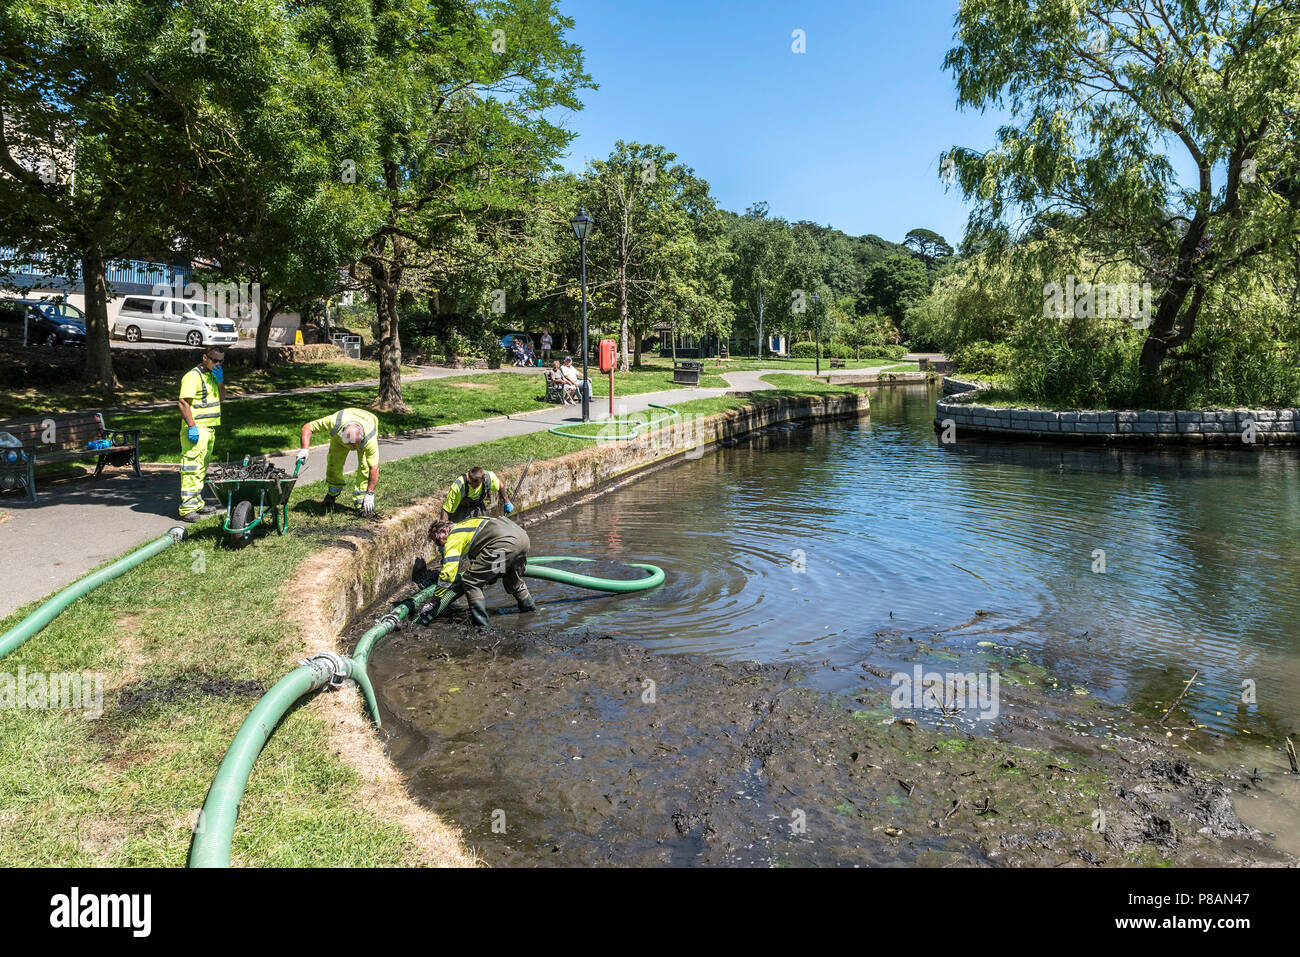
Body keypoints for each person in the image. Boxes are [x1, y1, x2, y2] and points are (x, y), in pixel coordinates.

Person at [428, 515, 535, 625]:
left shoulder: (453, 536)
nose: (439, 547)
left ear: (445, 531)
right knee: (511, 579)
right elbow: (483, 550)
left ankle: (482, 626)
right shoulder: (468, 524)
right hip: (522, 538)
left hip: (503, 544)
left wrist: (435, 599)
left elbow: (448, 574)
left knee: (470, 582)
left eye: (437, 541)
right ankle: (530, 613)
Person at [296, 407, 379, 514]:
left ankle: (361, 503)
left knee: (365, 468)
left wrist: (370, 494)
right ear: (341, 432)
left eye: (354, 445)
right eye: (349, 444)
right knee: (333, 464)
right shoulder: (334, 421)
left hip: (369, 421)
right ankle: (332, 493)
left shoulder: (369, 438)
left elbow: (374, 467)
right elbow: (308, 427)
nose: (351, 447)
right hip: (340, 438)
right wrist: (304, 449)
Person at [177, 346, 227, 521]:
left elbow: (222, 398)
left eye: (221, 361)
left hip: (209, 429)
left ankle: (197, 502)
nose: (218, 363)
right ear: (205, 357)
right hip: (197, 429)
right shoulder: (193, 376)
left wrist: (220, 381)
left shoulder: (212, 375)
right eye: (214, 360)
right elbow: (183, 402)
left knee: (201, 469)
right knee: (191, 467)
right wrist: (191, 426)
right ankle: (187, 508)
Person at [441, 465, 514, 523]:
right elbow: (446, 510)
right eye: (470, 483)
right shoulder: (458, 486)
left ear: (483, 480)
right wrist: (444, 528)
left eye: (475, 485)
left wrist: (506, 501)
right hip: (462, 510)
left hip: (478, 507)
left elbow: (500, 485)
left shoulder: (489, 478)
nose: (472, 487)